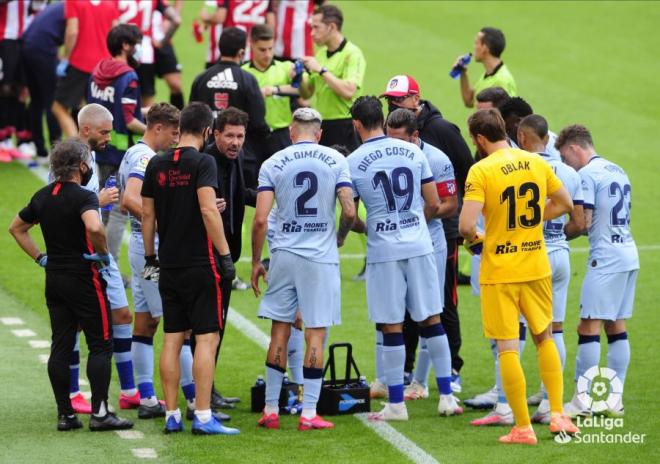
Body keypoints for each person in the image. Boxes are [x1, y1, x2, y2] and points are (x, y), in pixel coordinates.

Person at [459, 108, 578, 444]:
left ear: (480, 139)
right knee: (544, 337)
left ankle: (523, 427)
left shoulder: (480, 171)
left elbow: (467, 226)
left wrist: (481, 241)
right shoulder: (536, 162)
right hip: (536, 265)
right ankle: (558, 414)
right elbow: (565, 203)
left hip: (501, 270)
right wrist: (532, 221)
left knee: (509, 348)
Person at [347, 96, 461, 421]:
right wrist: (412, 223)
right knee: (431, 319)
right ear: (382, 122)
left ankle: (396, 403)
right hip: (421, 245)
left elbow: (351, 212)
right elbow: (435, 202)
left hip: (384, 250)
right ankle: (447, 397)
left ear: (357, 124)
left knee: (391, 324)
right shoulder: (414, 151)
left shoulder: (353, 160)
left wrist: (368, 227)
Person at [9, 139, 133, 432]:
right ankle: (101, 413)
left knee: (61, 346)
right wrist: (102, 254)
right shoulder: (83, 197)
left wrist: (40, 257)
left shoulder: (42, 196)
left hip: (55, 279)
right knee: (101, 344)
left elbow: (16, 228)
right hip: (84, 277)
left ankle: (65, 414)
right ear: (81, 165)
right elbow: (93, 226)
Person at [251, 107, 355, 431]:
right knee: (316, 333)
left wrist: (257, 261)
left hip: (283, 254)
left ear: (292, 133)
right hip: (319, 257)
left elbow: (259, 220)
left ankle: (270, 409)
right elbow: (350, 210)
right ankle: (309, 413)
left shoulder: (273, 163)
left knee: (279, 330)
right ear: (319, 133)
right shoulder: (336, 160)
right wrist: (338, 236)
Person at [141, 102, 239, 435]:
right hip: (201, 264)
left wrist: (150, 257)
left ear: (180, 128)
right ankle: (203, 414)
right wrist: (225, 256)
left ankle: (171, 415)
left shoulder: (156, 163)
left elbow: (148, 215)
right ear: (209, 132)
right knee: (207, 339)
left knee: (171, 338)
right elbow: (209, 212)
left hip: (168, 264)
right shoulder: (204, 162)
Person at [381, 74, 473, 388]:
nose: (392, 104)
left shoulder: (442, 132)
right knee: (406, 302)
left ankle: (453, 370)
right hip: (407, 233)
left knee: (443, 301)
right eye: (389, 100)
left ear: (415, 99)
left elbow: (468, 172)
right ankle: (407, 370)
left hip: (441, 231)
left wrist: (463, 218)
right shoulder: (391, 134)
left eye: (399, 99)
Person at [118, 102, 197, 420]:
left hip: (141, 248)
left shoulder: (133, 153)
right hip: (153, 252)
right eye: (174, 134)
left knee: (146, 321)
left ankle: (147, 396)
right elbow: (129, 199)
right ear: (158, 128)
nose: (176, 141)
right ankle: (193, 400)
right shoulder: (145, 157)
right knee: (180, 325)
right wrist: (167, 223)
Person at [556, 124, 639, 418]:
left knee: (588, 327)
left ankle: (582, 402)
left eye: (565, 158)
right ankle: (613, 399)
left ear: (573, 149)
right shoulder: (617, 169)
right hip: (628, 253)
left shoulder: (587, 175)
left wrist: (553, 235)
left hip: (605, 259)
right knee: (616, 327)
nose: (567, 165)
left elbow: (582, 223)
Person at [69, 103, 139, 413]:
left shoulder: (91, 156)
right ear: (86, 130)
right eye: (105, 131)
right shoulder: (69, 159)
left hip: (101, 255)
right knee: (74, 326)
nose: (110, 137)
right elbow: (58, 205)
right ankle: (73, 394)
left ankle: (129, 391)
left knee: (122, 314)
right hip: (77, 255)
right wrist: (98, 200)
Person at [517, 114, 585, 422]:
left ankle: (508, 401)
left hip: (533, 255)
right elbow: (580, 222)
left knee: (521, 330)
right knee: (555, 328)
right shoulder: (570, 172)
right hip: (561, 255)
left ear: (523, 139)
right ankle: (549, 400)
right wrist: (558, 234)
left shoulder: (521, 168)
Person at [203, 107, 255, 410]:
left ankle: (208, 389)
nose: (235, 142)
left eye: (240, 136)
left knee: (216, 327)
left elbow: (240, 195)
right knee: (207, 329)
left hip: (226, 258)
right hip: (208, 258)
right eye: (230, 136)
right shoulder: (207, 161)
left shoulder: (234, 160)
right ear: (215, 134)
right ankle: (201, 393)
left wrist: (269, 195)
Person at [87, 23, 146, 268]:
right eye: (137, 44)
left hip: (98, 150)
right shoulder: (128, 77)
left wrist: (146, 113)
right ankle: (110, 267)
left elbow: (106, 111)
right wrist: (155, 133)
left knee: (104, 208)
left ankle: (97, 261)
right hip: (120, 155)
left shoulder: (97, 71)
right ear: (126, 45)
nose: (139, 50)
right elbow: (129, 120)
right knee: (121, 213)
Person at [190, 26, 269, 187]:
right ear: (241, 53)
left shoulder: (201, 78)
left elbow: (192, 118)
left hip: (205, 156)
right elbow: (258, 122)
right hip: (239, 156)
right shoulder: (248, 80)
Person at [300, 4, 365, 151]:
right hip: (322, 124)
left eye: (316, 27)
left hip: (345, 124)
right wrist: (299, 78)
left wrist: (322, 70)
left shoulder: (352, 54)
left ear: (331, 27)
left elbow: (349, 91)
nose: (312, 33)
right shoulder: (321, 54)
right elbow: (307, 93)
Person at [52, 0, 119, 138]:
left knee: (59, 108)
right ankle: (93, 151)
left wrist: (66, 58)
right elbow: (116, 33)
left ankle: (78, 149)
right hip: (103, 67)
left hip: (80, 63)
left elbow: (72, 31)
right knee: (92, 111)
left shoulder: (74, 2)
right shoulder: (111, 3)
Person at [242, 24, 311, 157]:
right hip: (251, 137)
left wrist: (298, 77)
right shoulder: (243, 72)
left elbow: (306, 93)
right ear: (251, 45)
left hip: (281, 136)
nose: (267, 54)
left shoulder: (286, 68)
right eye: (262, 50)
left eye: (270, 49)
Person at [20, 0, 65, 160]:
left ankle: (39, 147)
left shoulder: (58, 6)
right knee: (51, 100)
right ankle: (56, 149)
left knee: (37, 99)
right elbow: (72, 33)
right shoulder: (73, 6)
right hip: (42, 49)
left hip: (28, 46)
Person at [117, 0, 181, 108]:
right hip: (143, 51)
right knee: (147, 99)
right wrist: (162, 42)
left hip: (121, 50)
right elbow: (177, 20)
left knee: (119, 95)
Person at [0, 0, 33, 162]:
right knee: (5, 89)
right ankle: (2, 141)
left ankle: (14, 138)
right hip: (4, 39)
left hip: (24, 40)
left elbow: (35, 9)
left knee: (21, 91)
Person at [455, 27, 517, 108]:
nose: (474, 47)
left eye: (476, 43)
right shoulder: (487, 75)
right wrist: (463, 73)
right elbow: (469, 101)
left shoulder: (503, 81)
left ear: (485, 48)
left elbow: (509, 116)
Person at [200, 0, 275, 67]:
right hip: (253, 51)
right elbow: (271, 24)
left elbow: (220, 17)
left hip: (232, 48)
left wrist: (206, 18)